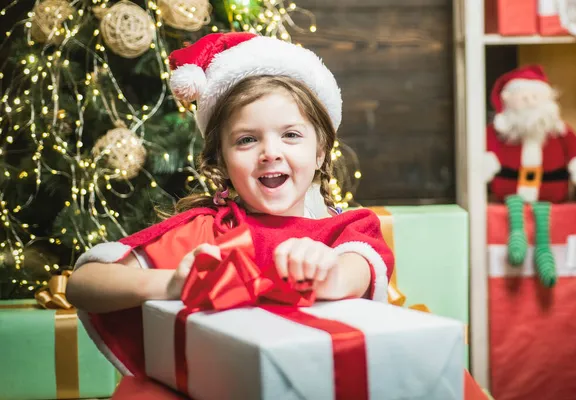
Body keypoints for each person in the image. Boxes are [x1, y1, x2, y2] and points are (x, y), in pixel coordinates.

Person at [66, 32, 395, 377]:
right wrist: (174, 284)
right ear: (221, 161)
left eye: (291, 135)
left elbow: (357, 272)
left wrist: (328, 273)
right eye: (247, 140)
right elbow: (84, 283)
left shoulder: (348, 230)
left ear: (320, 152)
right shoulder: (208, 231)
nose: (270, 152)